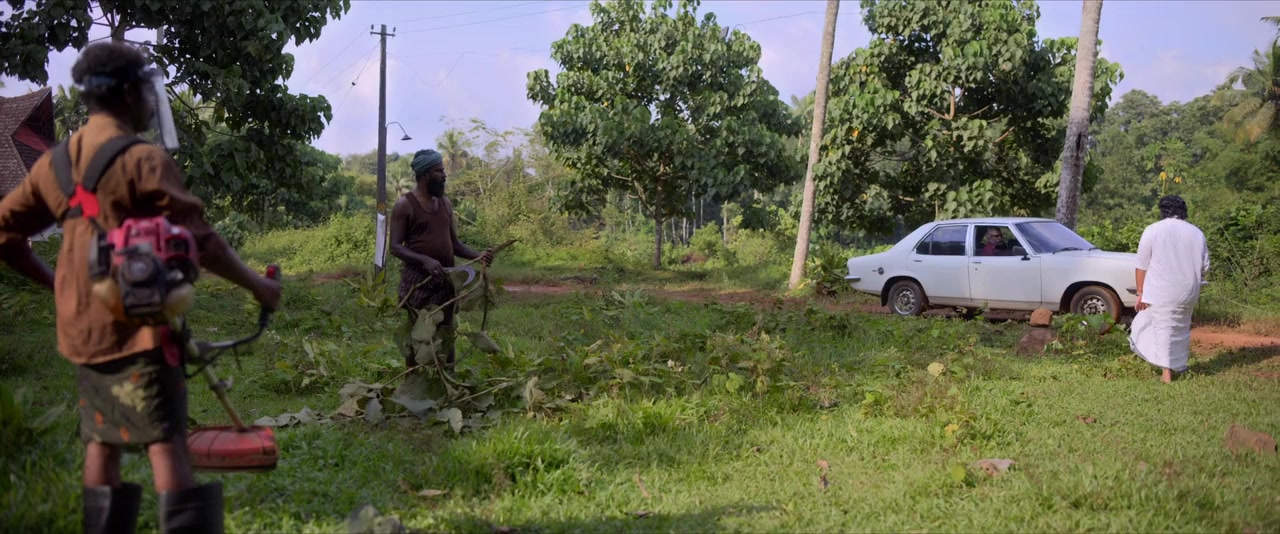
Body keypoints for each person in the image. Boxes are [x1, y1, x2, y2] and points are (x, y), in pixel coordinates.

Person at [0, 42, 281, 533]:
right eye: (148, 92)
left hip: (84, 333)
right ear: (130, 94)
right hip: (141, 329)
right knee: (166, 442)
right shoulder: (143, 160)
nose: (152, 102)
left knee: (101, 441)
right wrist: (258, 286)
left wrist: (57, 287)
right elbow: (202, 240)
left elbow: (5, 234)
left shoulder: (54, 164)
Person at [389, 148, 492, 371]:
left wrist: (478, 255)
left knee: (446, 332)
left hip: (446, 281)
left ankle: (448, 379)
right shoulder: (404, 205)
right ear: (425, 174)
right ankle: (412, 380)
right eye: (439, 171)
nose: (444, 175)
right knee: (418, 335)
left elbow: (455, 244)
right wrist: (424, 260)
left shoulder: (445, 203)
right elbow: (395, 247)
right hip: (419, 284)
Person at [1129, 195, 1210, 383]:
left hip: (1161, 290)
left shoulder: (1153, 230)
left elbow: (1141, 264)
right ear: (1184, 212)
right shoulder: (1196, 233)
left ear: (1162, 211)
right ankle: (1179, 365)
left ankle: (1166, 373)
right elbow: (1205, 266)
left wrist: (1140, 293)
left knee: (1162, 329)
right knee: (1181, 328)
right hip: (1188, 291)